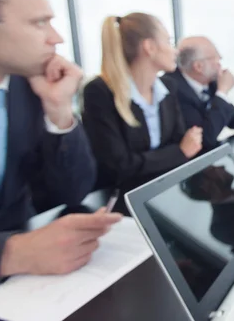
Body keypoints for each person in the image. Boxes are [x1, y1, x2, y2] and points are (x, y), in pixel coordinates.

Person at [0, 0, 122, 286]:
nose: (56, 38)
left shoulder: (28, 88)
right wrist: (12, 253)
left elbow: (72, 191)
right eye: (39, 23)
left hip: (30, 292)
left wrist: (59, 113)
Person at [82, 13, 203, 214]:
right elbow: (120, 165)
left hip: (163, 194)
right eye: (168, 41)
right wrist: (179, 152)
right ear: (149, 47)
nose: (174, 51)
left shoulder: (168, 87)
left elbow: (180, 142)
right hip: (120, 205)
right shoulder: (100, 92)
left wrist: (177, 152)